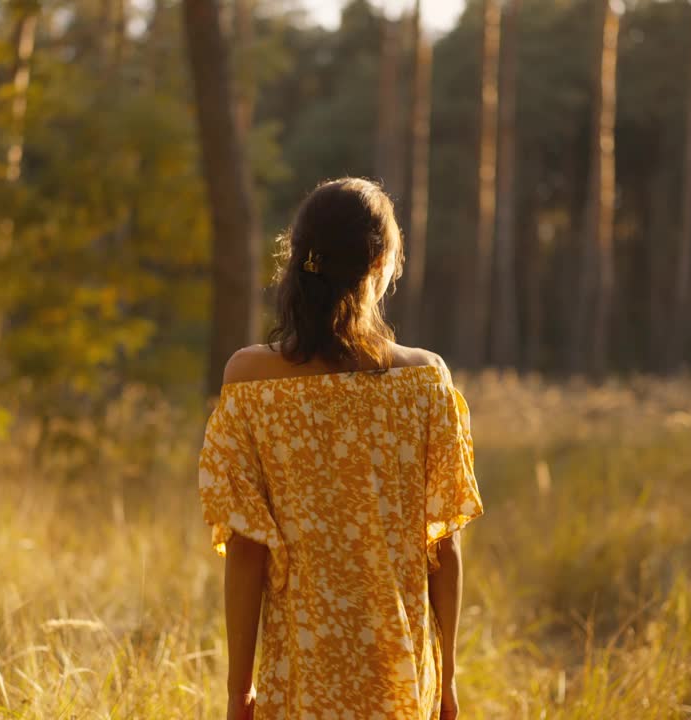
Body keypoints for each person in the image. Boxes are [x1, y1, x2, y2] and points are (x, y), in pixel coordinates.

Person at [198, 178, 483, 720]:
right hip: (399, 671)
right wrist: (446, 682)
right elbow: (443, 549)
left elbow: (246, 549)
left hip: (300, 673)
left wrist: (239, 690)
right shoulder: (427, 381)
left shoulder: (251, 381)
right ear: (380, 263)